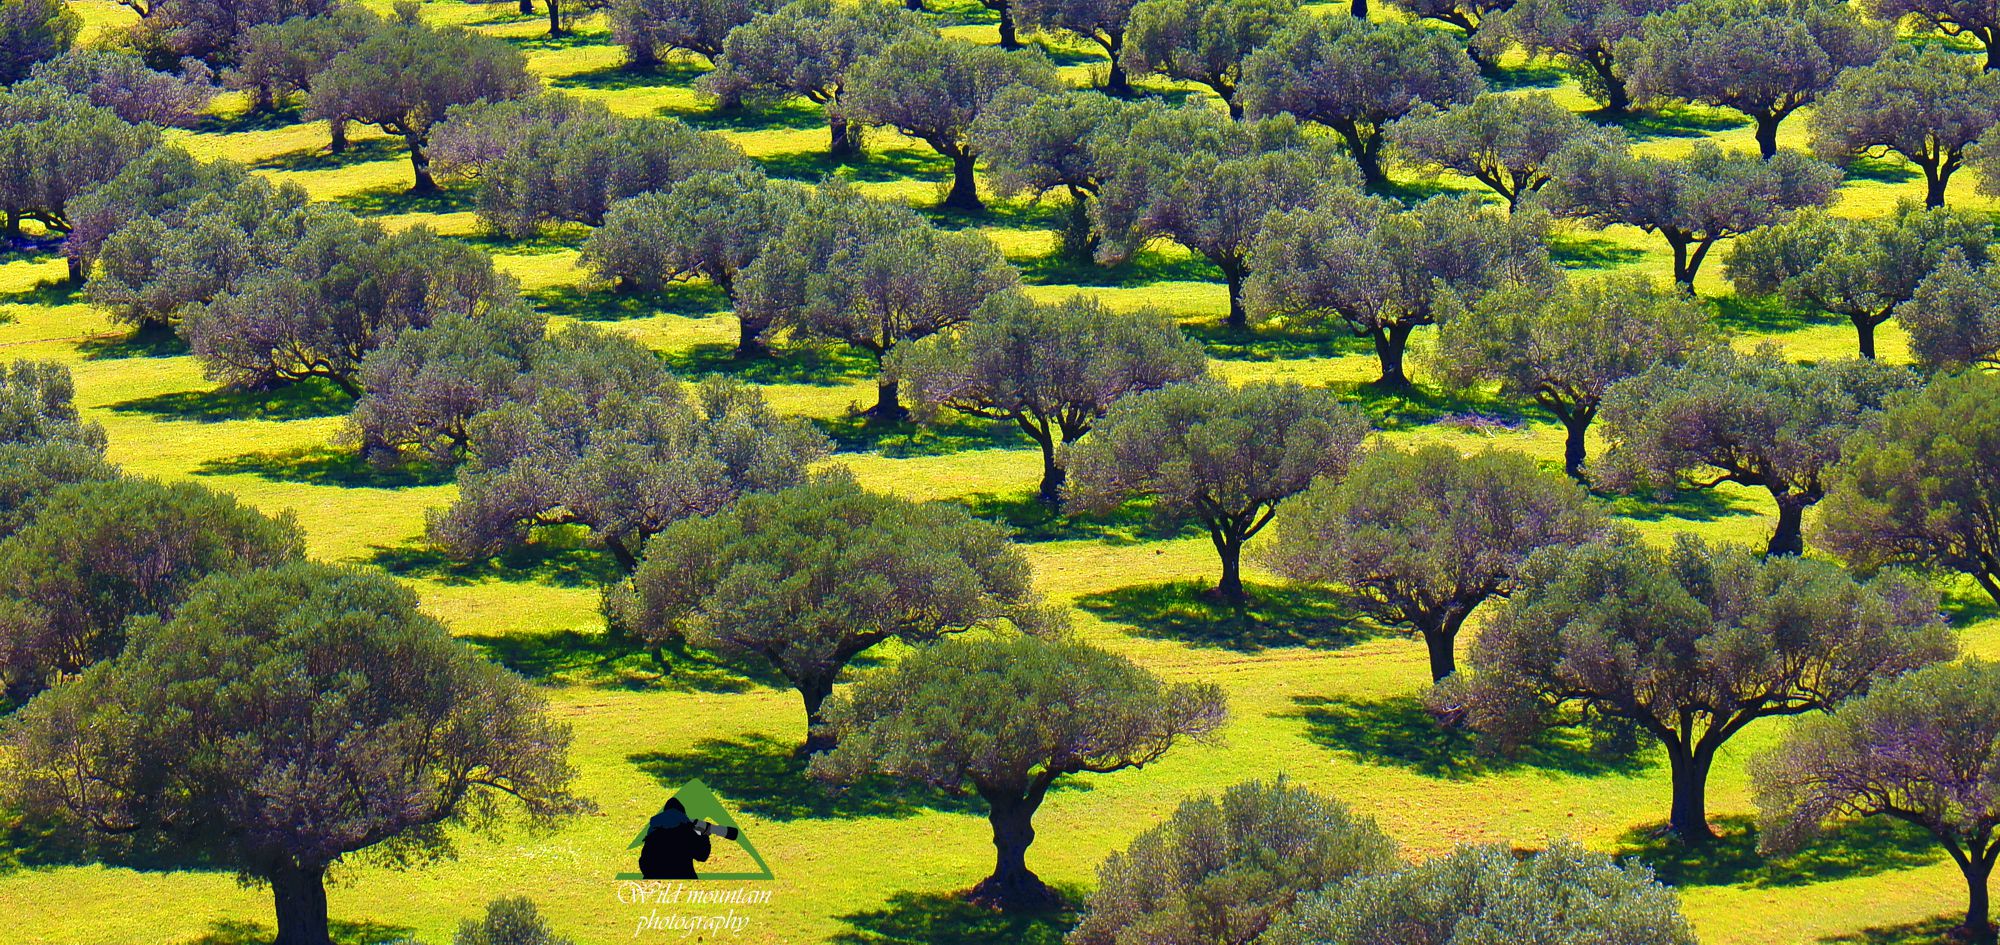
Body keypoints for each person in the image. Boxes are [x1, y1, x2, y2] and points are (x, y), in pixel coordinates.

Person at [638, 797, 711, 879]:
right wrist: (704, 835)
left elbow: (644, 863)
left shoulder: (654, 832)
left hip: (656, 877)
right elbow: (702, 855)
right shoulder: (687, 831)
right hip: (683, 876)